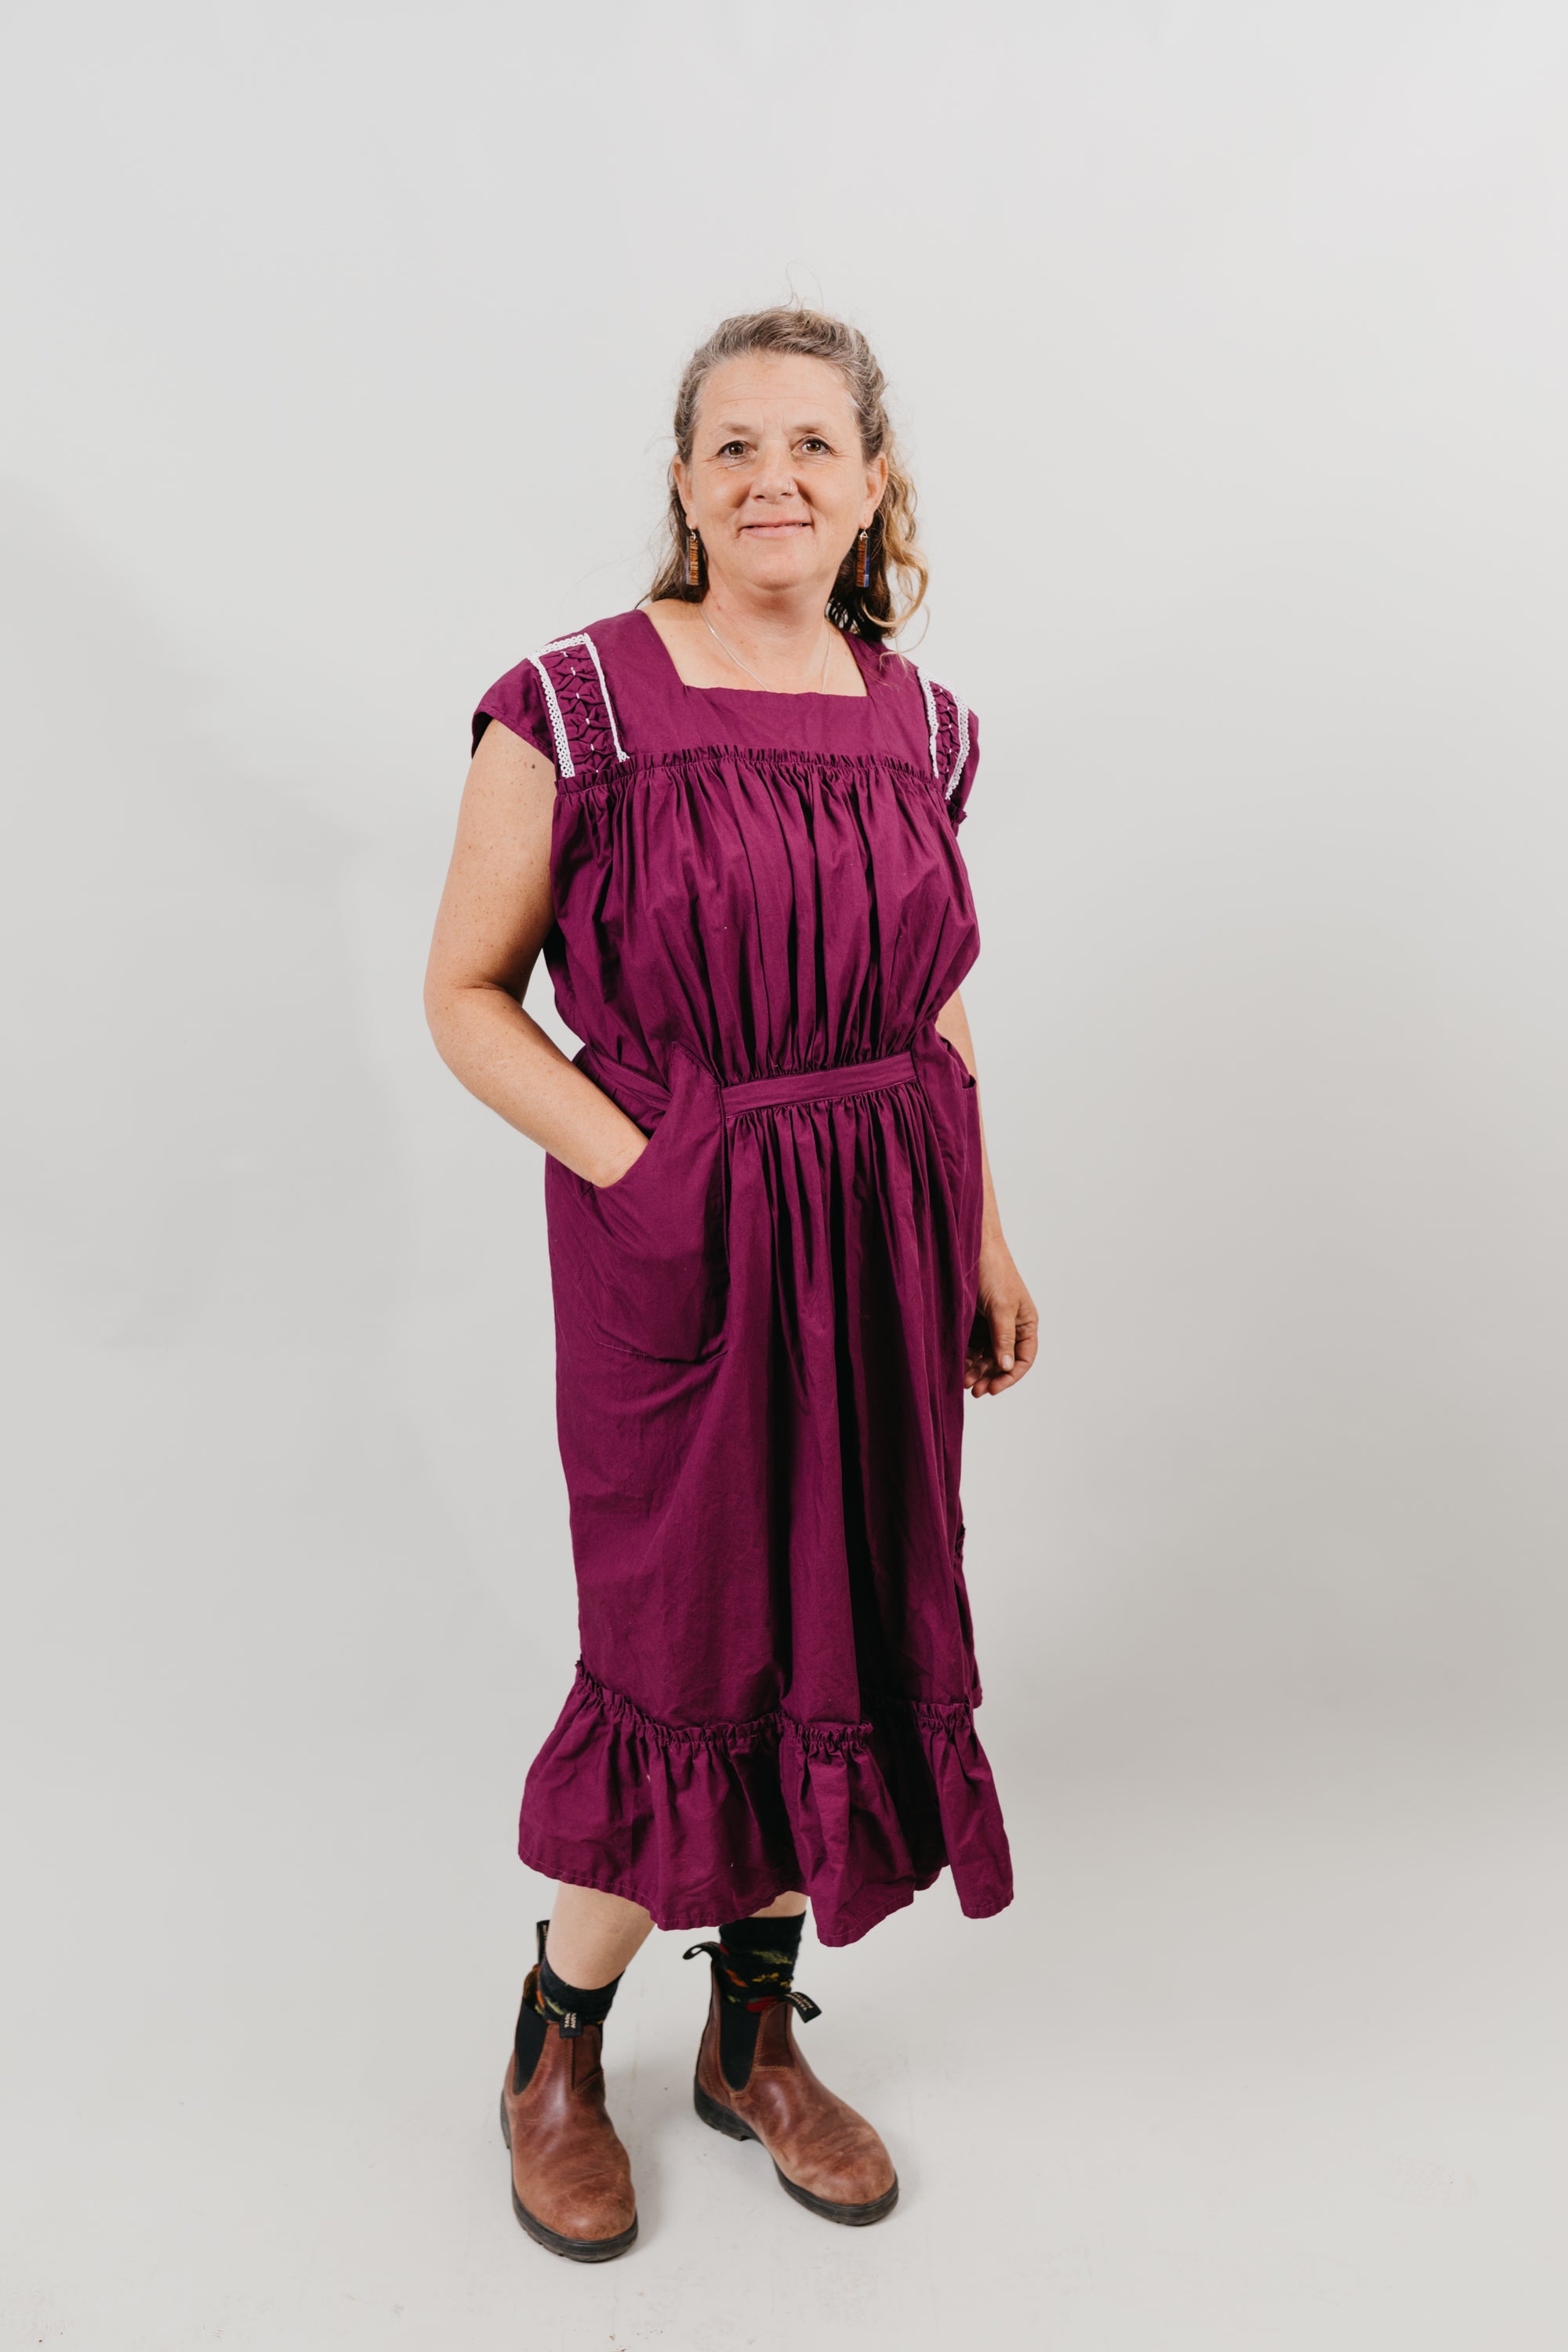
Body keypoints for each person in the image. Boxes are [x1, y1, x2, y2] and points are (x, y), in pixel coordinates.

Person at [424, 305, 1037, 2261]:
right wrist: (652, 1168)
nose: (775, 476)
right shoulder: (571, 704)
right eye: (734, 445)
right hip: (678, 1235)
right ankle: (557, 2037)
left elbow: (930, 998)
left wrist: (990, 1235)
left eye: (814, 445)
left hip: (885, 1222)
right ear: (685, 485)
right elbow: (463, 994)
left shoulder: (921, 722)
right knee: (687, 1642)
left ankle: (752, 2035)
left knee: (842, 1612)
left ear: (873, 487)